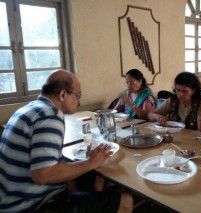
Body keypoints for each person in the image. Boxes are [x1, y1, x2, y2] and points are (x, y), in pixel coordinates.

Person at [0, 70, 133, 213]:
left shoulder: (29, 109)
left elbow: (50, 162)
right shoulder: (50, 117)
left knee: (93, 178)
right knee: (125, 199)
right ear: (63, 94)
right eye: (78, 95)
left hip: (10, 198)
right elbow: (43, 174)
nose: (79, 101)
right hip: (30, 205)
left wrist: (86, 164)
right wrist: (90, 163)